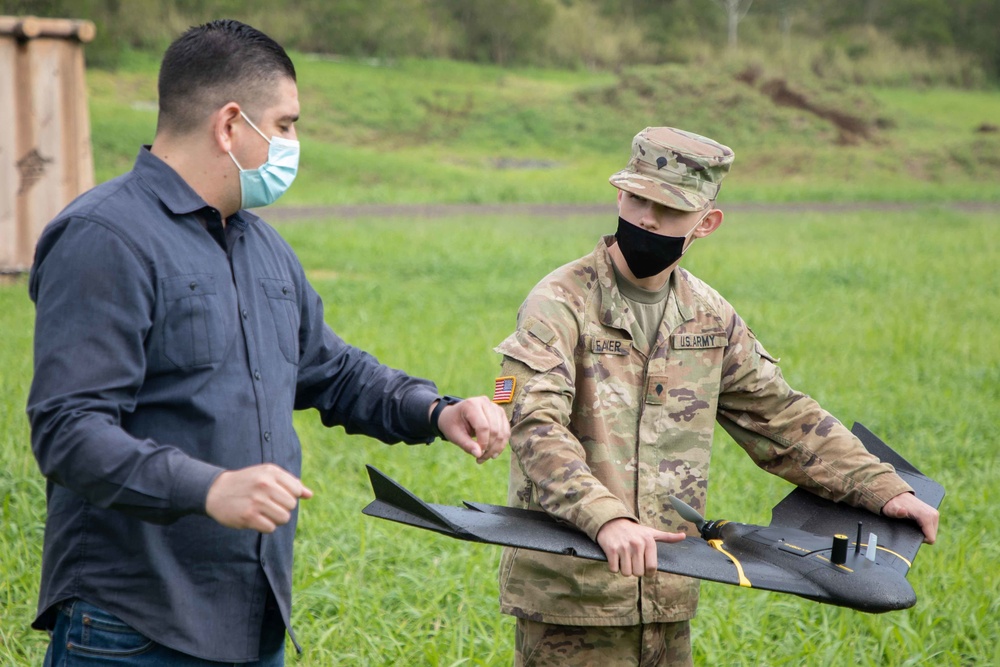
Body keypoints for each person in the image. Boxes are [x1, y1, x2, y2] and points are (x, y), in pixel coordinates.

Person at [26, 19, 509, 666]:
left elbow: (332, 372)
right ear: (230, 125)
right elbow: (68, 429)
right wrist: (208, 488)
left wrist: (437, 410)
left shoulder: (262, 247)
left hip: (250, 622)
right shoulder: (105, 238)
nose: (292, 143)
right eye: (285, 125)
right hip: (132, 627)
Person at [492, 127, 939, 666]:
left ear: (706, 223)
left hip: (670, 584)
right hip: (572, 589)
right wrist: (606, 517)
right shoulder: (559, 303)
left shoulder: (708, 315)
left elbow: (779, 415)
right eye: (637, 198)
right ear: (618, 194)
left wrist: (878, 487)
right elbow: (534, 425)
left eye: (668, 210)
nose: (646, 220)